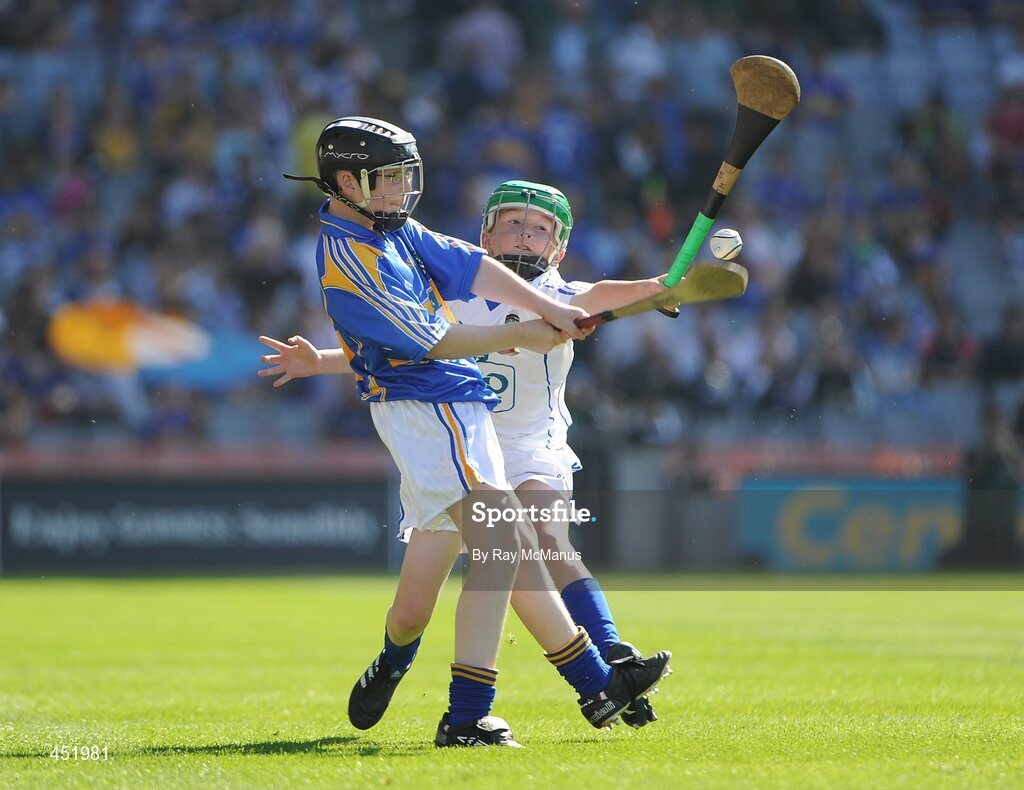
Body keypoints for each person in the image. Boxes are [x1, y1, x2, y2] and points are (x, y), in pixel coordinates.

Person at [271, 117, 671, 748]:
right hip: (430, 413)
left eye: (408, 174)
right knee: (481, 565)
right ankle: (496, 701)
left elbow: (473, 264)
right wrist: (524, 330)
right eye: (392, 178)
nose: (405, 188)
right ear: (348, 182)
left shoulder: (394, 229)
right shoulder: (350, 260)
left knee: (469, 576)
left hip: (467, 416)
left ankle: (428, 677)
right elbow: (422, 342)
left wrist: (551, 308)